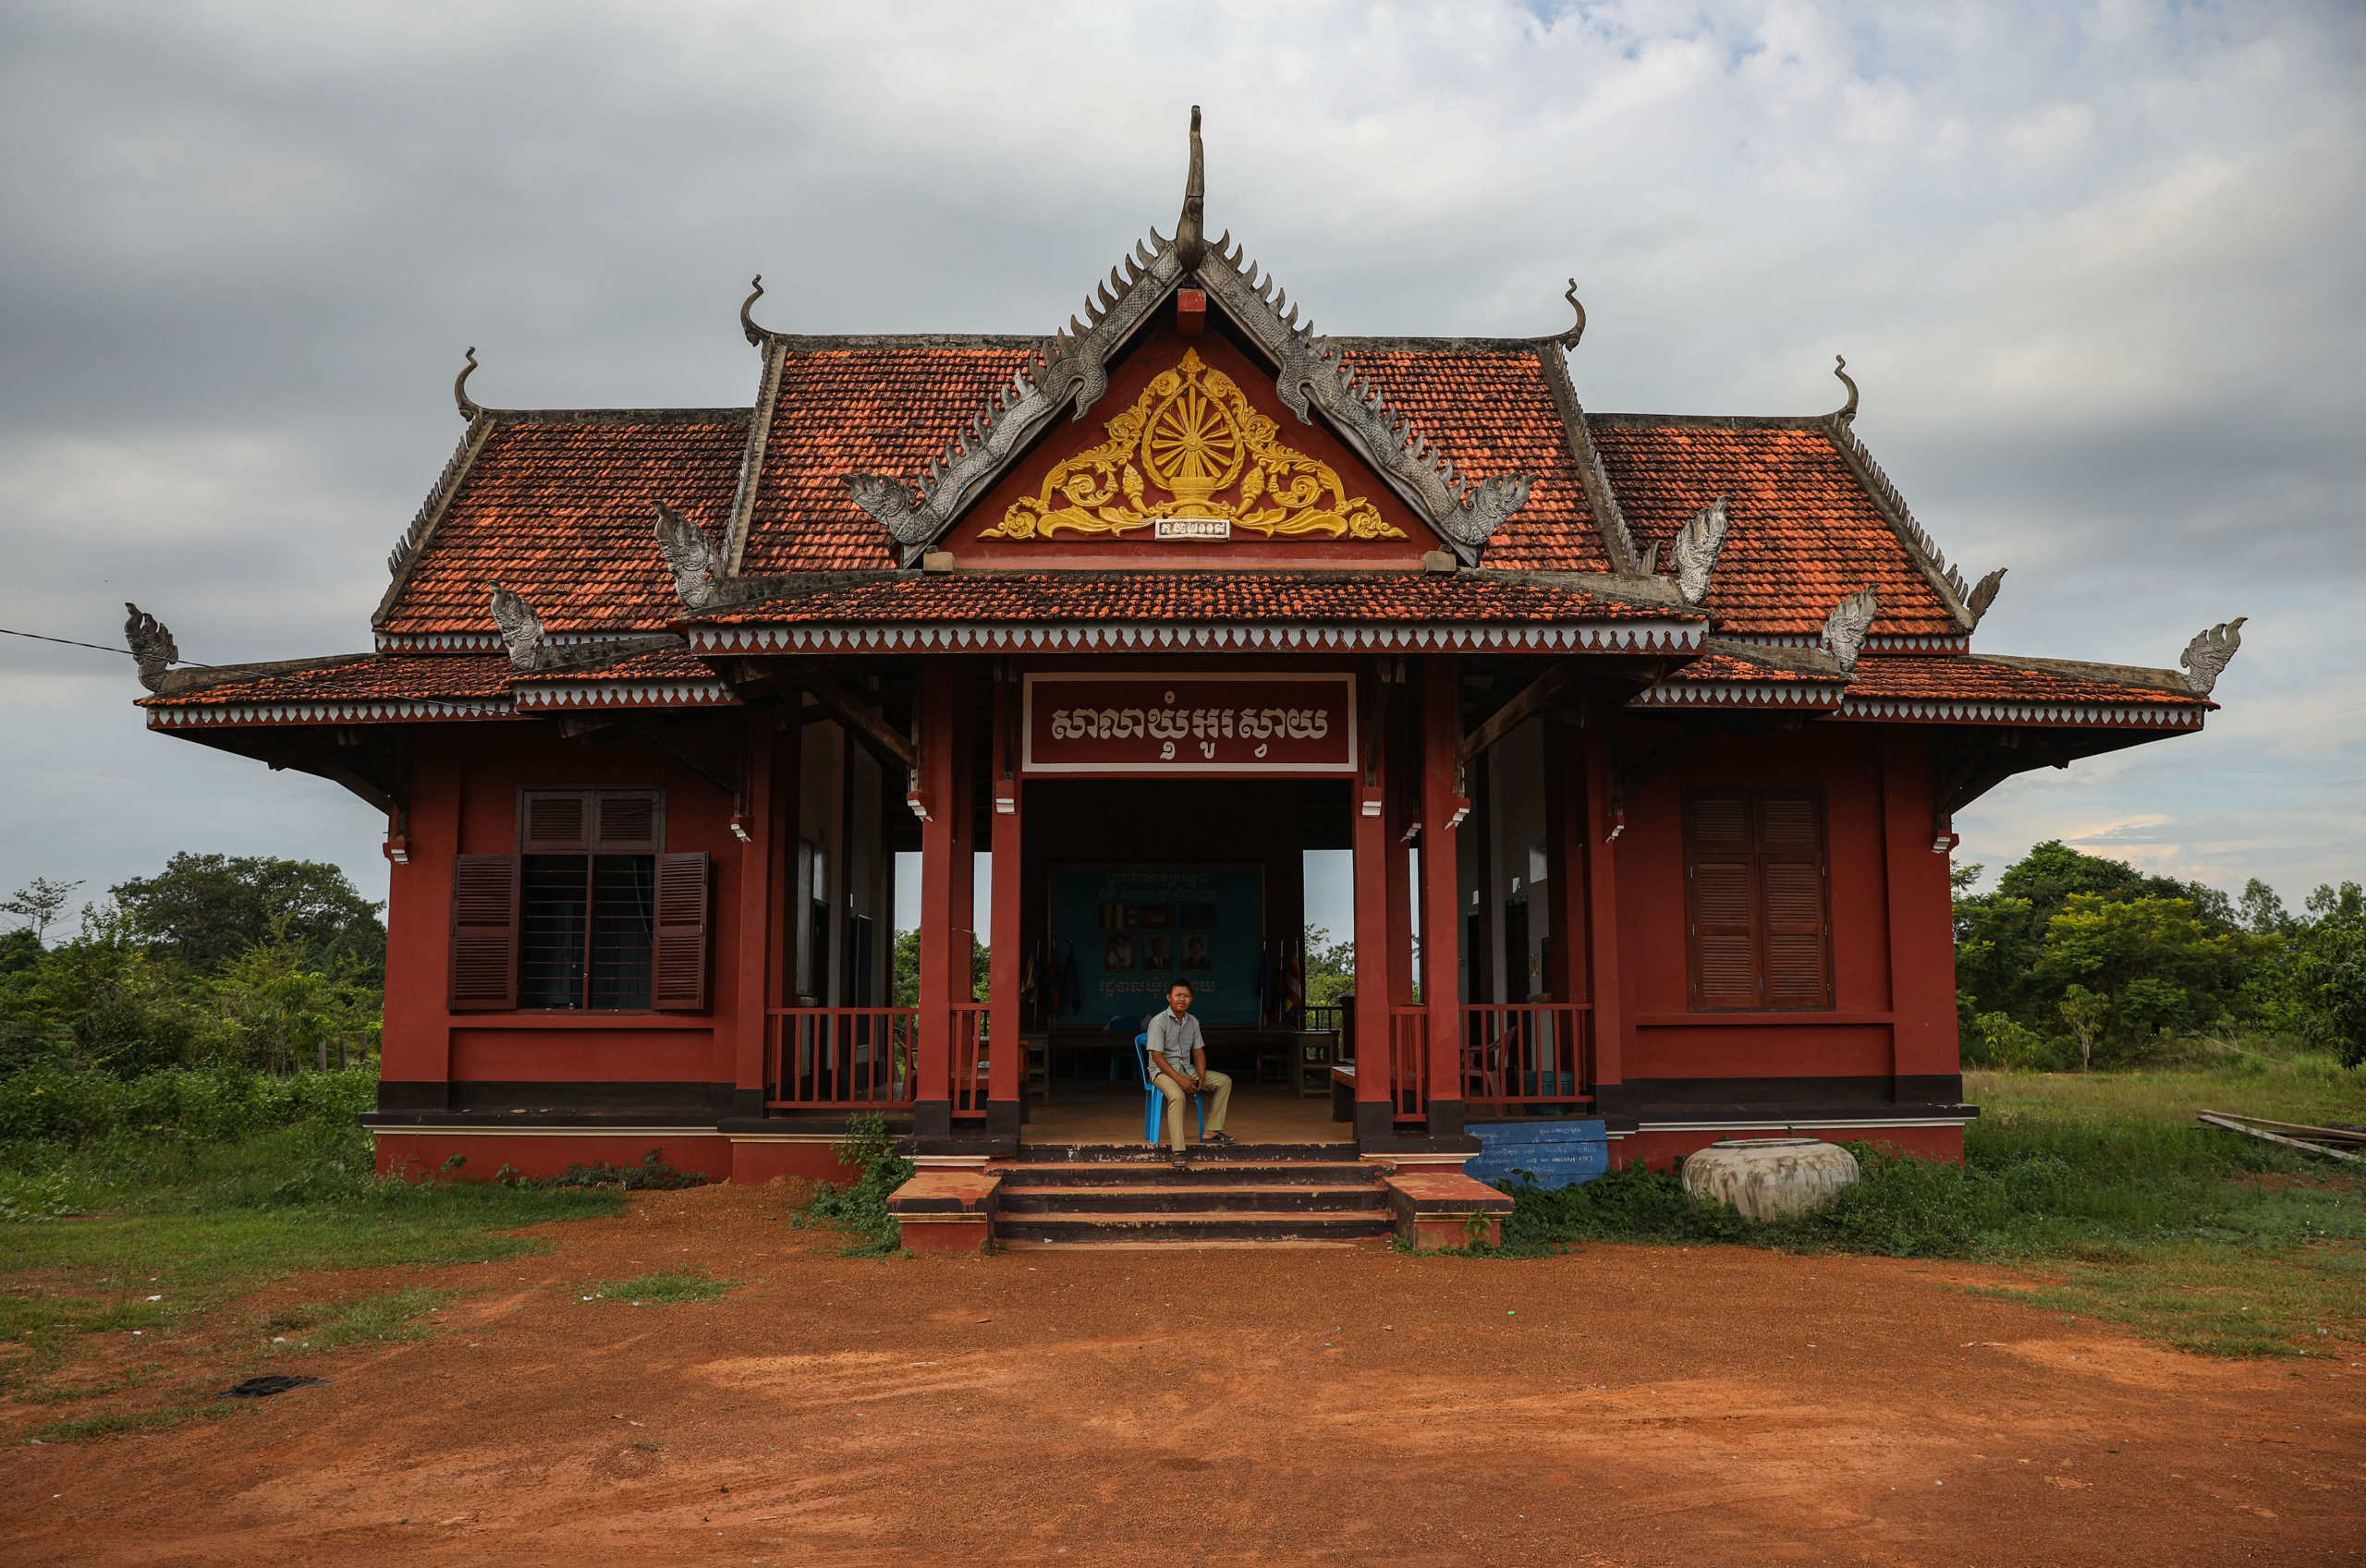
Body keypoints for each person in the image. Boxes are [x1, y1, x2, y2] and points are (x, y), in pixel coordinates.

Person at [1144, 978, 1233, 1162]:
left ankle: (1212, 1130)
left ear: (1191, 999)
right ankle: (1178, 1151)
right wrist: (1179, 1079)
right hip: (1161, 1072)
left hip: (1187, 1069)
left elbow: (1198, 1051)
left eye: (1186, 996)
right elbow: (1157, 1057)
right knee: (1177, 1095)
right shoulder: (1158, 1021)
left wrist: (1200, 1075)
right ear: (1169, 997)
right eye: (1178, 995)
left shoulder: (1193, 1022)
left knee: (1224, 1081)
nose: (1182, 999)